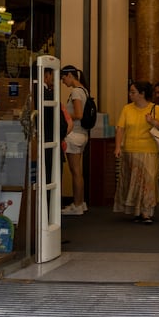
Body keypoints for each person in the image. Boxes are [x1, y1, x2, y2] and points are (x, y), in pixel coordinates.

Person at [113, 80, 159, 224]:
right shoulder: (127, 109)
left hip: (149, 150)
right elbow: (120, 128)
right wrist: (118, 146)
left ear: (142, 94)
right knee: (133, 182)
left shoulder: (155, 109)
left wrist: (153, 122)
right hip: (130, 150)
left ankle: (146, 212)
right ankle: (136, 212)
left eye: (133, 92)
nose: (130, 95)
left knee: (148, 181)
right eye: (130, 92)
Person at [60, 65, 90, 215]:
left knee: (75, 171)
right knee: (78, 171)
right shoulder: (84, 90)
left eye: (64, 78)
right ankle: (81, 202)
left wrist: (62, 116)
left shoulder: (76, 92)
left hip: (74, 134)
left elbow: (78, 114)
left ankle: (77, 204)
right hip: (83, 134)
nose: (63, 81)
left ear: (70, 75)